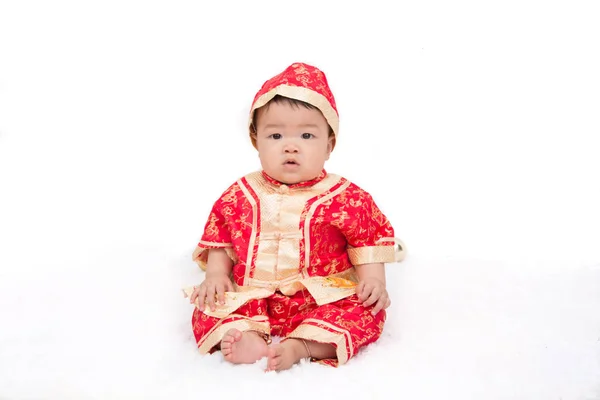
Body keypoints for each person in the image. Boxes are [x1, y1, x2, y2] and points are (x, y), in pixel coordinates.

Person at [184, 62, 405, 371]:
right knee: (209, 304)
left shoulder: (346, 197)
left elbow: (366, 241)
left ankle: (302, 346)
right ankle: (248, 337)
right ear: (256, 142)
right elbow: (222, 238)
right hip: (253, 294)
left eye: (306, 136)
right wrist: (217, 275)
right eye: (275, 136)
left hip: (320, 295)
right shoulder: (240, 193)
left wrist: (373, 281)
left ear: (328, 146)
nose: (290, 146)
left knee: (366, 310)